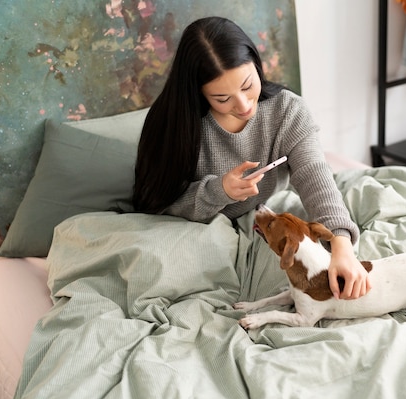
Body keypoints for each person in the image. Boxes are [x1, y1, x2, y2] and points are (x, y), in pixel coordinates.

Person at [133, 16, 370, 299]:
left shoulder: (286, 110)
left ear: (257, 66)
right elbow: (159, 204)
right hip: (197, 231)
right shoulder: (177, 126)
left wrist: (342, 245)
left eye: (247, 86)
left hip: (267, 217)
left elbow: (315, 175)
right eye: (222, 99)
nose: (244, 105)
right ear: (199, 93)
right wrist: (218, 190)